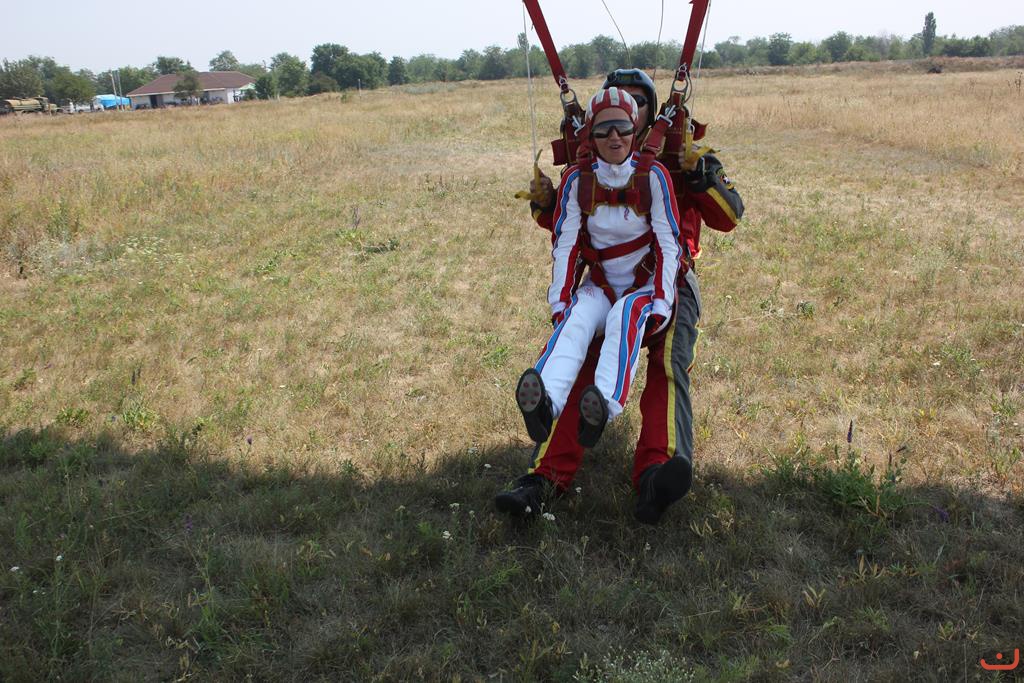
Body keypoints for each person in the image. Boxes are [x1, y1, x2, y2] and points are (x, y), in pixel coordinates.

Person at [497, 69, 744, 525]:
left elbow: (729, 216)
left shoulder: (683, 152)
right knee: (583, 359)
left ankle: (656, 473)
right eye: (615, 106)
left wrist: (700, 175)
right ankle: (544, 479)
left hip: (670, 283)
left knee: (668, 368)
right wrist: (547, 203)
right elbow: (573, 229)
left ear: (648, 110)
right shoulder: (591, 159)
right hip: (605, 283)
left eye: (637, 102)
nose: (622, 121)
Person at [513, 86, 680, 453]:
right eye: (604, 130)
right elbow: (567, 243)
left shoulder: (654, 176)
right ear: (591, 134)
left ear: (634, 130)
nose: (614, 137)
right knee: (576, 319)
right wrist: (560, 301)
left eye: (623, 128)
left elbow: (669, 243)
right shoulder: (578, 180)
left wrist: (662, 301)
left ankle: (603, 405)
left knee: (624, 315)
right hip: (601, 283)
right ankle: (545, 405)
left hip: (643, 287)